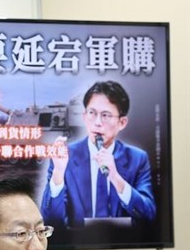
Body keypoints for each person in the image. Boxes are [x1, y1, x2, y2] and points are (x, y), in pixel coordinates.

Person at [40, 80, 156, 228]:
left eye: (106, 115)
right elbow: (51, 223)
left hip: (124, 248)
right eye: (92, 113)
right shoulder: (64, 156)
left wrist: (116, 178)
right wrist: (58, 172)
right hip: (77, 249)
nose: (97, 122)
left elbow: (149, 217)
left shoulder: (137, 159)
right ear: (84, 116)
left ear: (122, 122)